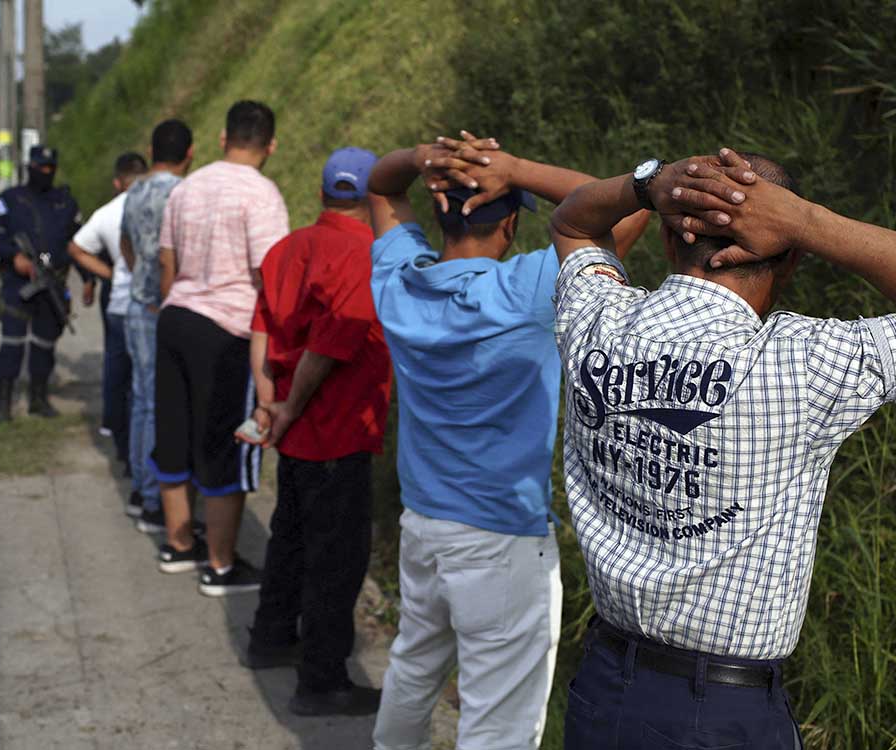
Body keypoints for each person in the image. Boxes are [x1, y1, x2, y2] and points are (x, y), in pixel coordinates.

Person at [547, 149, 896, 748]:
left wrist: (648, 183)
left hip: (604, 688)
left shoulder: (597, 320)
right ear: (789, 261)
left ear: (666, 238)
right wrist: (808, 222)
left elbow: (572, 223)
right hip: (719, 712)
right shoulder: (801, 363)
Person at [367, 134, 649, 750]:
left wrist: (422, 160)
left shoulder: (399, 285)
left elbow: (381, 185)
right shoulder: (529, 291)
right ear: (513, 221)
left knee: (413, 667)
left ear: (438, 212)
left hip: (423, 527)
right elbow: (630, 207)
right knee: (499, 723)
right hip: (502, 538)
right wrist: (514, 168)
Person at [237, 146, 390, 716]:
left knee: (291, 539)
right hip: (335, 431)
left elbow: (261, 334)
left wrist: (269, 403)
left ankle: (271, 637)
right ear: (373, 198)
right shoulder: (366, 255)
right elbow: (326, 351)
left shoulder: (286, 249)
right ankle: (322, 680)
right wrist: (293, 407)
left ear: (324, 192)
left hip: (293, 434)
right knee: (337, 560)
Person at [150, 100, 288, 595]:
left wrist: (176, 306)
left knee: (174, 433)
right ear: (270, 146)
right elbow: (268, 274)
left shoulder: (187, 189)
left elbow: (168, 262)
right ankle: (221, 565)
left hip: (175, 319)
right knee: (221, 446)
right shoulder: (262, 194)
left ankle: (178, 544)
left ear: (221, 139)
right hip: (226, 329)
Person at [120, 120, 194, 527]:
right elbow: (177, 255)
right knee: (162, 406)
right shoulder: (184, 194)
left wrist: (139, 278)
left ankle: (138, 486)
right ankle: (154, 500)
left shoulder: (135, 190)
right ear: (190, 152)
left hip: (137, 304)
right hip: (167, 306)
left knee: (141, 400)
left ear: (151, 151)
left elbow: (126, 243)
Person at [0, 145, 82, 421]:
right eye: (40, 168)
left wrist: (88, 280)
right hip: (18, 283)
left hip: (52, 282)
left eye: (50, 168)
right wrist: (13, 255)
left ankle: (39, 397)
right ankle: (3, 401)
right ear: (30, 167)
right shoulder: (10, 200)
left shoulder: (65, 203)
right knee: (12, 342)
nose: (45, 173)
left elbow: (80, 243)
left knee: (45, 344)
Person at [68, 152, 149, 479]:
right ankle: (141, 455)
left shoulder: (106, 213)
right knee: (145, 384)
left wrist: (110, 273)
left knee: (117, 374)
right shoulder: (166, 202)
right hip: (152, 304)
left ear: (118, 182)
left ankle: (119, 438)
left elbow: (76, 248)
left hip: (118, 305)